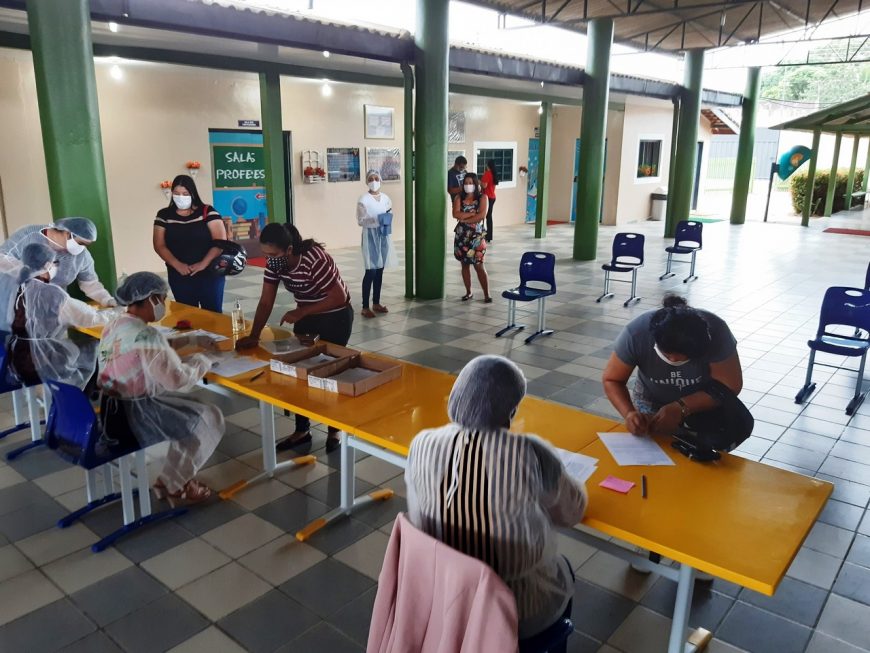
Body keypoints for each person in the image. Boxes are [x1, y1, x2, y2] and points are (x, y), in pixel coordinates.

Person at [405, 355, 587, 642]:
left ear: (456, 397)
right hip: (516, 613)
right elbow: (572, 513)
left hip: (445, 598)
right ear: (511, 412)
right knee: (562, 570)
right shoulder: (532, 454)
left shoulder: (422, 444)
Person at [97, 272, 224, 505]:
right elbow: (176, 380)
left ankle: (172, 480)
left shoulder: (116, 324)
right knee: (208, 418)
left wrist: (192, 341)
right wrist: (204, 359)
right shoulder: (146, 333)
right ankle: (176, 485)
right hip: (134, 416)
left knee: (194, 417)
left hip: (110, 411)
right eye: (162, 299)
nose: (163, 305)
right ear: (150, 299)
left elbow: (154, 349)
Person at [236, 223, 352, 452]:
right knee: (299, 373)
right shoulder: (274, 264)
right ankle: (302, 430)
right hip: (308, 314)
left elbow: (338, 297)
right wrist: (254, 335)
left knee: (330, 372)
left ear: (289, 249)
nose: (268, 259)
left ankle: (334, 430)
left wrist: (301, 312)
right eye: (265, 254)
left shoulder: (314, 258)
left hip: (336, 316)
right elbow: (266, 301)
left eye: (273, 254)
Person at [602, 294, 743, 437]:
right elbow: (613, 380)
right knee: (655, 444)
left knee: (698, 450)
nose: (674, 360)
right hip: (651, 397)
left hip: (704, 401)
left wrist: (683, 407)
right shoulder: (636, 334)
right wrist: (629, 413)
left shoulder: (717, 333)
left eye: (685, 357)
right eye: (667, 355)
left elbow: (730, 385)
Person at [1, 243, 110, 389]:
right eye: (55, 263)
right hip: (40, 362)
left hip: (15, 358)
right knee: (97, 347)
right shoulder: (51, 294)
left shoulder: (16, 286)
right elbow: (89, 319)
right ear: (47, 265)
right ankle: (80, 399)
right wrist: (115, 313)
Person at [0, 217, 116, 307]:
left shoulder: (81, 256)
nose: (82, 248)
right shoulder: (28, 236)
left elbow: (90, 283)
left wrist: (107, 300)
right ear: (67, 233)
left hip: (51, 309)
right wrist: (32, 273)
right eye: (80, 243)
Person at [153, 174, 228, 312]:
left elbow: (220, 242)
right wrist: (177, 264)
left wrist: (203, 264)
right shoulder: (164, 215)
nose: (180, 197)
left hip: (209, 273)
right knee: (186, 315)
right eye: (176, 193)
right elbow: (159, 245)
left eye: (185, 193)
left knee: (213, 315)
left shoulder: (207, 211)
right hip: (179, 275)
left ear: (192, 193)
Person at [356, 170, 397, 319]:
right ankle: (365, 306)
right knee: (371, 271)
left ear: (380, 180)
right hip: (370, 237)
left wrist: (386, 220)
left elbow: (389, 212)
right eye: (371, 179)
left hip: (383, 236)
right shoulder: (364, 199)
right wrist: (375, 221)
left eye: (376, 178)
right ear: (367, 181)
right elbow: (360, 220)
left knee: (380, 269)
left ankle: (376, 303)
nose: (374, 181)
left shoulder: (386, 198)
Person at [452, 172, 491, 303]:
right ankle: (468, 292)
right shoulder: (459, 197)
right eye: (466, 183)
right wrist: (471, 214)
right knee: (464, 265)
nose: (468, 185)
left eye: (471, 183)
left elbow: (481, 215)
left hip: (477, 237)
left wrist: (465, 218)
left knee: (479, 265)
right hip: (462, 237)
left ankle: (487, 294)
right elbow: (455, 213)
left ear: (476, 184)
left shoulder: (482, 197)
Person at [480, 159, 498, 243]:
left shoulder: (487, 173)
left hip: (487, 197)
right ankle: (489, 235)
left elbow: (484, 185)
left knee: (485, 216)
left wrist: (479, 181)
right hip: (492, 197)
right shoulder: (494, 174)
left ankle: (487, 235)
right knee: (488, 216)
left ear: (488, 165)